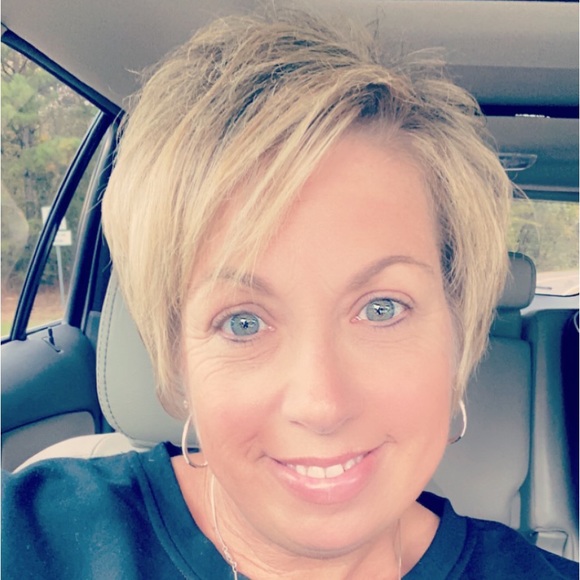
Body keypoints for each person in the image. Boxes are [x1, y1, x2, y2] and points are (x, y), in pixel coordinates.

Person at [2, 11, 578, 580]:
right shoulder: (35, 538)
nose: (321, 406)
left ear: (459, 328)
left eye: (381, 308)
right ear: (178, 354)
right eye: (243, 322)